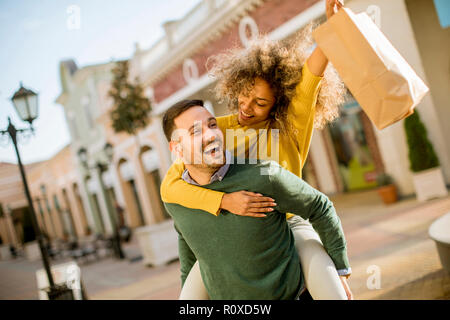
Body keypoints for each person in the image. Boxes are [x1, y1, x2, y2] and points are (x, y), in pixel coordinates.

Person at [161, 0, 352, 299]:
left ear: (277, 104)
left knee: (328, 282)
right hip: (236, 229)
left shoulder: (291, 123)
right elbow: (172, 188)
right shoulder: (217, 128)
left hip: (289, 223)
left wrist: (331, 29)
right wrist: (225, 202)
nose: (247, 108)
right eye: (244, 96)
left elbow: (312, 77)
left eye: (260, 103)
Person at [161, 100, 351, 299]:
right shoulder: (176, 201)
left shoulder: (263, 175)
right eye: (195, 132)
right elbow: (188, 244)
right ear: (177, 149)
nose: (210, 135)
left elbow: (320, 207)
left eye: (212, 125)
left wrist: (340, 269)